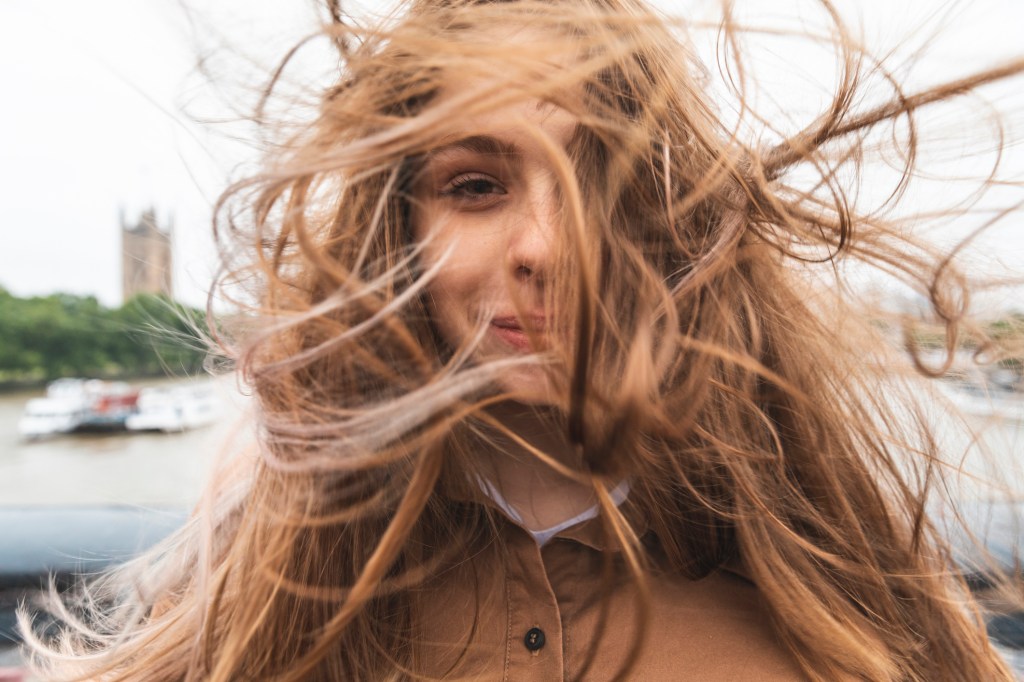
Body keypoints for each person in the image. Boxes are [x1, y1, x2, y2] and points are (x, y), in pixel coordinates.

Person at [22, 0, 1024, 679]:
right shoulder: (270, 589)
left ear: (679, 221)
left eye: (606, 181)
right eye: (476, 184)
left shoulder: (839, 593)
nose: (546, 245)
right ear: (396, 227)